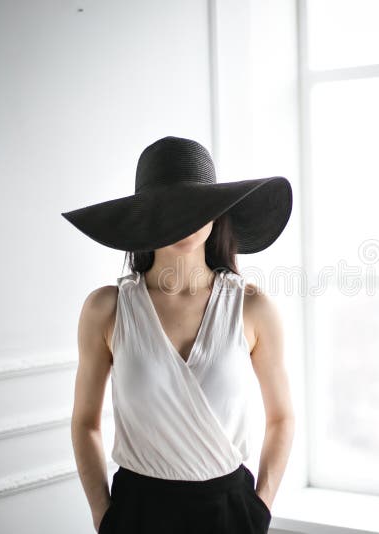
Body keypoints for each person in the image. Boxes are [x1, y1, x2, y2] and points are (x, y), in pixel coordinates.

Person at [63, 136, 295, 533]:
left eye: (195, 208)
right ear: (145, 217)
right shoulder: (107, 309)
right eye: (168, 210)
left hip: (231, 513)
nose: (184, 222)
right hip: (138, 513)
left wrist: (260, 510)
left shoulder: (252, 308)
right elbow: (85, 423)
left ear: (217, 212)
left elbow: (282, 416)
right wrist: (105, 517)